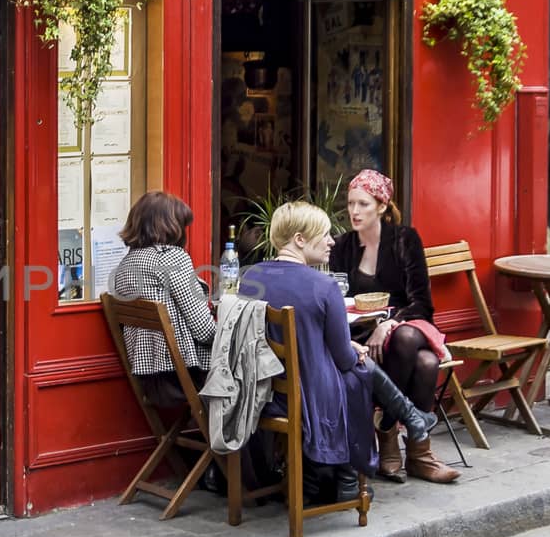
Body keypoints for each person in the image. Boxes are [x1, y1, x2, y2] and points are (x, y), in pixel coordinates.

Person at [240, 203, 438, 504]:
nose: (332, 240)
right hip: (308, 398)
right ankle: (352, 474)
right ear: (300, 239)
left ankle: (409, 419)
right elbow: (343, 360)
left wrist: (347, 348)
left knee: (356, 362)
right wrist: (349, 350)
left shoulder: (251, 277)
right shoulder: (323, 285)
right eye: (325, 234)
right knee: (357, 372)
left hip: (263, 390)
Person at [328, 169, 461, 485]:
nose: (354, 212)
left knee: (406, 337)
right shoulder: (343, 246)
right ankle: (418, 454)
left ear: (382, 207)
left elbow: (422, 303)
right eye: (350, 204)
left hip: (405, 328)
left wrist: (387, 324)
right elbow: (337, 299)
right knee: (427, 363)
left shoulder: (405, 240)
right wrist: (371, 325)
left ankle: (387, 428)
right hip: (359, 334)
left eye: (363, 204)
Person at [108, 191, 215, 408]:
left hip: (153, 380)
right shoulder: (170, 257)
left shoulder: (125, 265)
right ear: (169, 225)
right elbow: (204, 331)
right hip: (187, 378)